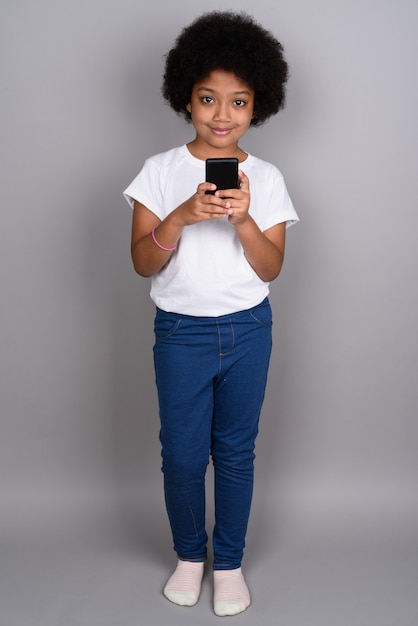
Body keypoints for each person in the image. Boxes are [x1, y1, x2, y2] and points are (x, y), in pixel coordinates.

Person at [123, 10, 299, 617]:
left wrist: (243, 218)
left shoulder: (268, 179)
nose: (222, 115)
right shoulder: (159, 172)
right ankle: (189, 556)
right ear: (186, 98)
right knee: (182, 453)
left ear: (258, 106)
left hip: (249, 330)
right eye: (208, 99)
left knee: (235, 452)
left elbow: (270, 269)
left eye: (239, 102)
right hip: (179, 333)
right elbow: (144, 262)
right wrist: (179, 217)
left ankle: (228, 563)